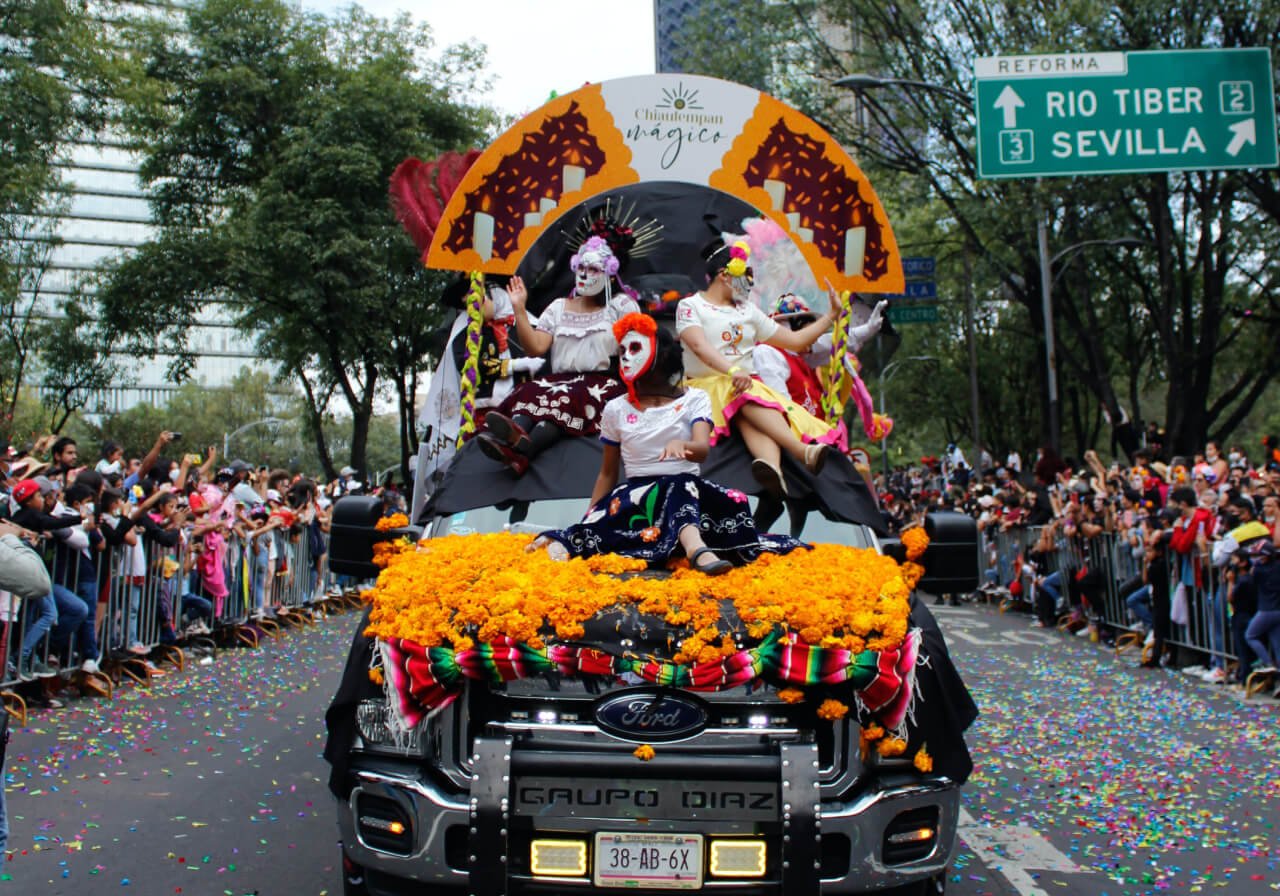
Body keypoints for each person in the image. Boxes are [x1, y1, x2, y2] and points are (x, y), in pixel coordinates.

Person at [532, 314, 803, 572]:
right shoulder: (615, 408)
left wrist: (684, 447)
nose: (626, 357)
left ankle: (694, 545)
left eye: (635, 348)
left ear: (661, 355)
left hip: (689, 494)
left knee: (681, 485)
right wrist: (589, 519)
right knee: (597, 527)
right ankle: (697, 551)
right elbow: (607, 473)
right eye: (622, 351)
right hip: (637, 501)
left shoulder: (694, 399)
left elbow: (702, 450)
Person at [676, 239, 843, 498]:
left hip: (744, 386)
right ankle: (801, 452)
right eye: (747, 276)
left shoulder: (748, 311)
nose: (752, 285)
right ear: (725, 275)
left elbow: (796, 342)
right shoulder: (690, 306)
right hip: (706, 386)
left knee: (747, 394)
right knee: (744, 392)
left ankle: (772, 469)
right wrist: (732, 371)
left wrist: (832, 316)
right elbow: (698, 346)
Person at [479, 235, 641, 474]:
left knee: (567, 400)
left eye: (593, 269)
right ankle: (512, 440)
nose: (585, 274)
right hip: (558, 381)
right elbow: (535, 347)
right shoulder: (557, 308)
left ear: (609, 273)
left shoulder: (621, 306)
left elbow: (638, 350)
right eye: (581, 267)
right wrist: (519, 309)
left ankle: (521, 454)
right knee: (529, 391)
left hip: (601, 383)